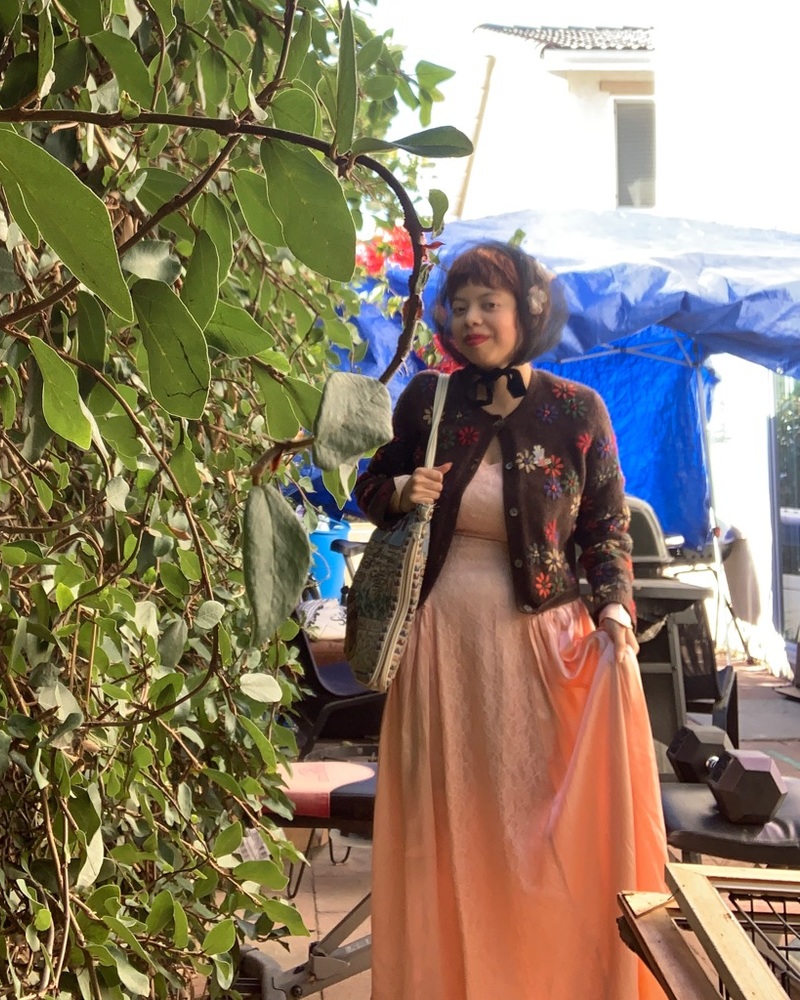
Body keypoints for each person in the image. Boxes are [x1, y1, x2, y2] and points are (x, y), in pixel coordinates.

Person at [354, 242, 668, 1000]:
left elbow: (606, 529)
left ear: (526, 312)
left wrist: (617, 612)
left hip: (539, 650)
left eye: (487, 304)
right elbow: (367, 486)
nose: (470, 319)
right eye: (459, 306)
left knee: (533, 829)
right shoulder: (428, 400)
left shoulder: (576, 410)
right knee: (444, 827)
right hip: (437, 646)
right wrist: (400, 490)